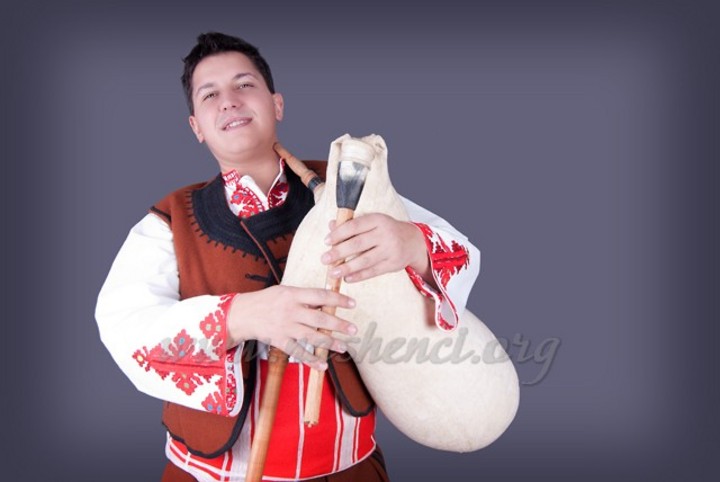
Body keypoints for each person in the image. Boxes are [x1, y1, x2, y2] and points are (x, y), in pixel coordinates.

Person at [96, 32, 480, 482]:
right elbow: (124, 326)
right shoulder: (169, 220)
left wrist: (412, 244)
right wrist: (239, 317)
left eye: (245, 85)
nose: (229, 101)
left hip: (348, 469)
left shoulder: (349, 183)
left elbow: (461, 252)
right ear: (196, 126)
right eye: (210, 94)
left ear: (276, 104)